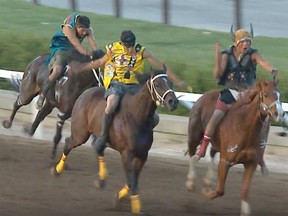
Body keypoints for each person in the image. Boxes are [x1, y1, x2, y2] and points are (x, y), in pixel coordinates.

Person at [194, 25, 278, 174]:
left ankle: (261, 158)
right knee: (216, 116)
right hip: (231, 92)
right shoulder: (227, 54)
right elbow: (217, 73)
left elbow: (263, 62)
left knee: (265, 121)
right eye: (243, 42)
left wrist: (272, 69)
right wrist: (217, 57)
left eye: (248, 41)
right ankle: (203, 147)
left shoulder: (253, 54)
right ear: (236, 43)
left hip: (249, 94)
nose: (246, 44)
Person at [93, 30, 190, 154]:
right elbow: (103, 63)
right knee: (111, 104)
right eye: (128, 46)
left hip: (134, 86)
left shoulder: (142, 51)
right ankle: (103, 136)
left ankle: (140, 135)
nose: (131, 48)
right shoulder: (113, 49)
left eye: (132, 45)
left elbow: (160, 65)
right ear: (122, 44)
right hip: (117, 84)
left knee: (155, 118)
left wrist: (176, 80)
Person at [36, 12, 98, 109]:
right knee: (57, 71)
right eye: (82, 31)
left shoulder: (88, 29)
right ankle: (42, 94)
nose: (84, 33)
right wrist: (87, 53)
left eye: (86, 31)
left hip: (74, 51)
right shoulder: (68, 28)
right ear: (77, 26)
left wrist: (96, 55)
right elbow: (77, 44)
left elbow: (93, 45)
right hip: (62, 49)